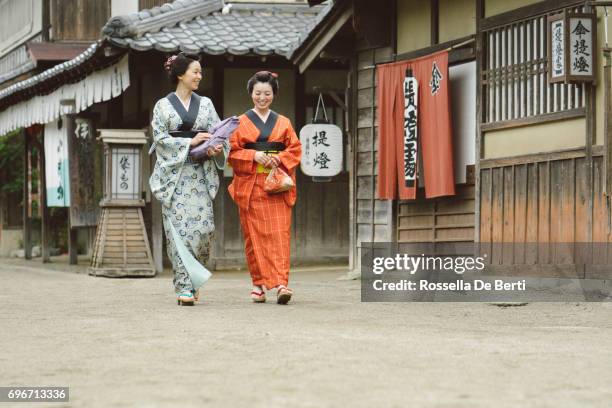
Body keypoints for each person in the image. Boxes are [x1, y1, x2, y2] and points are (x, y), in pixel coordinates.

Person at [149, 53, 228, 306]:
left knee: (203, 230)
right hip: (175, 178)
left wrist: (215, 147)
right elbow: (160, 140)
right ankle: (184, 286)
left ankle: (193, 281)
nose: (199, 76)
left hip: (200, 176)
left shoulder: (205, 104)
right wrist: (189, 141)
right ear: (181, 74)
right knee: (179, 234)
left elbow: (218, 133)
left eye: (201, 72)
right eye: (195, 72)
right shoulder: (162, 106)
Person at [228, 71, 302, 305]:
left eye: (267, 93)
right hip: (251, 186)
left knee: (280, 236)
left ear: (274, 94)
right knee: (254, 238)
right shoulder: (239, 123)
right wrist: (255, 155)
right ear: (251, 93)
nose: (262, 97)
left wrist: (278, 158)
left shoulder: (284, 123)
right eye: (258, 93)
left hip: (277, 185)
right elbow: (231, 151)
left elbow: (295, 149)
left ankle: (281, 284)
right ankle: (258, 284)